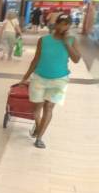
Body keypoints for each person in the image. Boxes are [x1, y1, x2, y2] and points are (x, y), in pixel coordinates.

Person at [21, 13, 81, 149]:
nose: (63, 27)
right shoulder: (43, 40)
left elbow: (76, 59)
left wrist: (67, 44)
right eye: (61, 24)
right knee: (36, 108)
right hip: (39, 78)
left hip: (60, 80)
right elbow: (35, 60)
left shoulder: (72, 40)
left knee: (48, 107)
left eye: (67, 25)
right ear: (56, 24)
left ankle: (39, 138)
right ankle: (38, 128)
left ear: (69, 26)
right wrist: (25, 77)